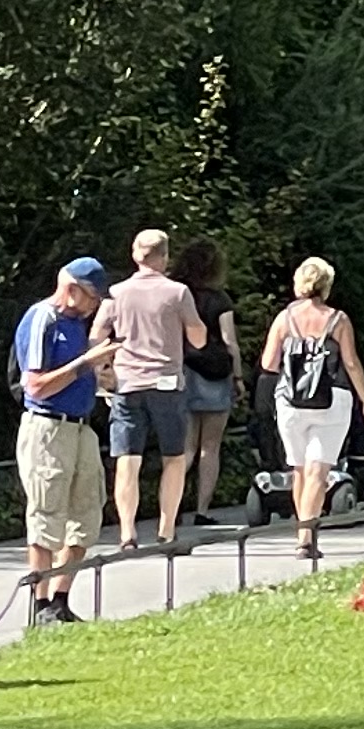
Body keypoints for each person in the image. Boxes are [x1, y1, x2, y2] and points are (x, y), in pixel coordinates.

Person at [10, 258, 117, 627]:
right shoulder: (44, 318)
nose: (95, 306)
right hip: (47, 428)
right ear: (71, 289)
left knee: (87, 512)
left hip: (81, 426)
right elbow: (35, 385)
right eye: (91, 297)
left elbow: (81, 375)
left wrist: (104, 376)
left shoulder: (76, 324)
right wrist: (86, 363)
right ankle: (40, 606)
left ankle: (61, 599)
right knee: (46, 513)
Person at [260, 256, 364, 562]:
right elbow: (351, 363)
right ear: (326, 286)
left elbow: (268, 364)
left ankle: (303, 531)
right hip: (331, 401)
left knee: (299, 469)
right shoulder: (338, 320)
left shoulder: (284, 318)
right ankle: (305, 538)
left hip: (289, 402)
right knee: (318, 471)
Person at [101, 227, 202, 553]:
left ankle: (127, 535)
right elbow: (198, 338)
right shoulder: (177, 292)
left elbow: (96, 336)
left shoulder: (115, 293)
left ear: (135, 254)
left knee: (128, 461)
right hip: (166, 384)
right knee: (174, 458)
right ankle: (166, 531)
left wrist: (104, 370)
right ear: (165, 257)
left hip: (126, 384)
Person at [174, 237, 241, 520]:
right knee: (209, 448)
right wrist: (238, 377)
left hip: (185, 371)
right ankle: (202, 509)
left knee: (185, 448)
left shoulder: (178, 295)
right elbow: (230, 341)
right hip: (215, 374)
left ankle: (172, 505)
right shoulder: (219, 299)